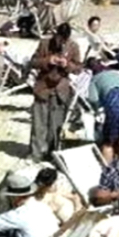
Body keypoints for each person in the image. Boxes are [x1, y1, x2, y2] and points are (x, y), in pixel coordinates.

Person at [28, 22, 82, 161]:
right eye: (59, 39)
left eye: (64, 40)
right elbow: (33, 62)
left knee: (56, 126)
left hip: (61, 89)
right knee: (39, 124)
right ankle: (36, 154)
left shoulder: (73, 47)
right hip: (43, 88)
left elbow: (78, 68)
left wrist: (67, 65)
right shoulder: (44, 43)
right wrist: (48, 60)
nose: (61, 42)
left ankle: (52, 153)